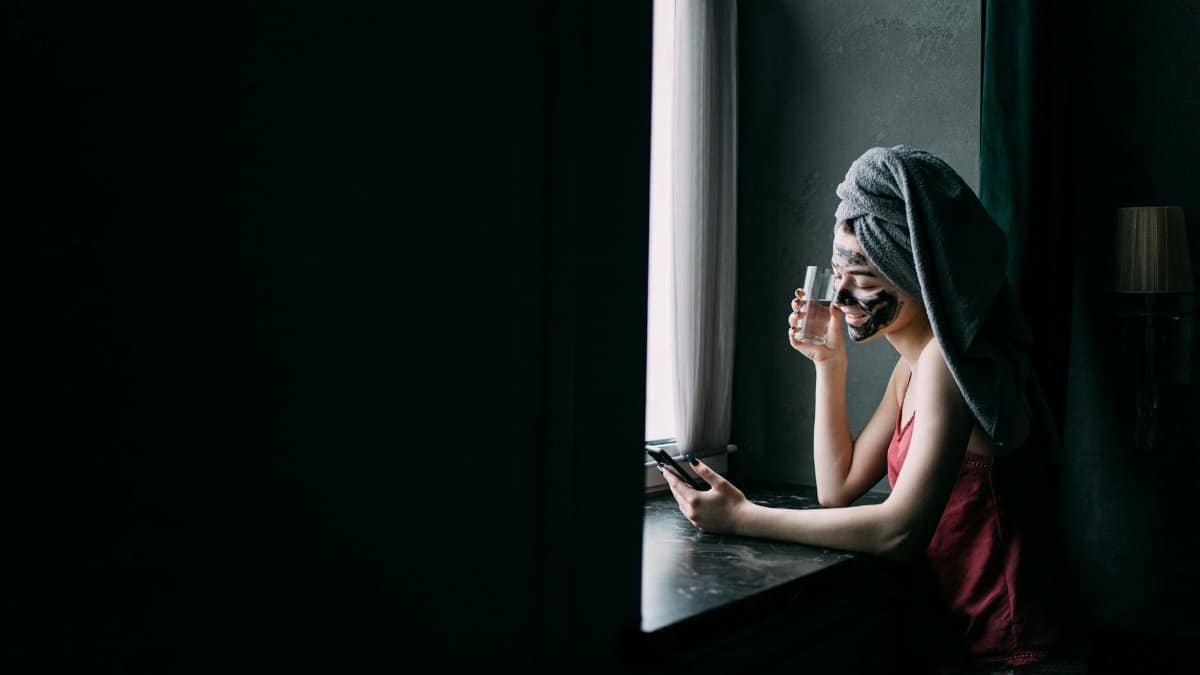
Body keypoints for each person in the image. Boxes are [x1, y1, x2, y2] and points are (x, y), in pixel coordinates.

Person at [658, 146, 1092, 673]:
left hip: (1016, 657)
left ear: (918, 273)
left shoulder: (944, 366)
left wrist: (743, 518)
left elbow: (899, 533)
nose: (839, 292)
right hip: (973, 649)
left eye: (861, 273)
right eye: (837, 267)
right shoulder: (911, 367)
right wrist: (828, 365)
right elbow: (836, 489)